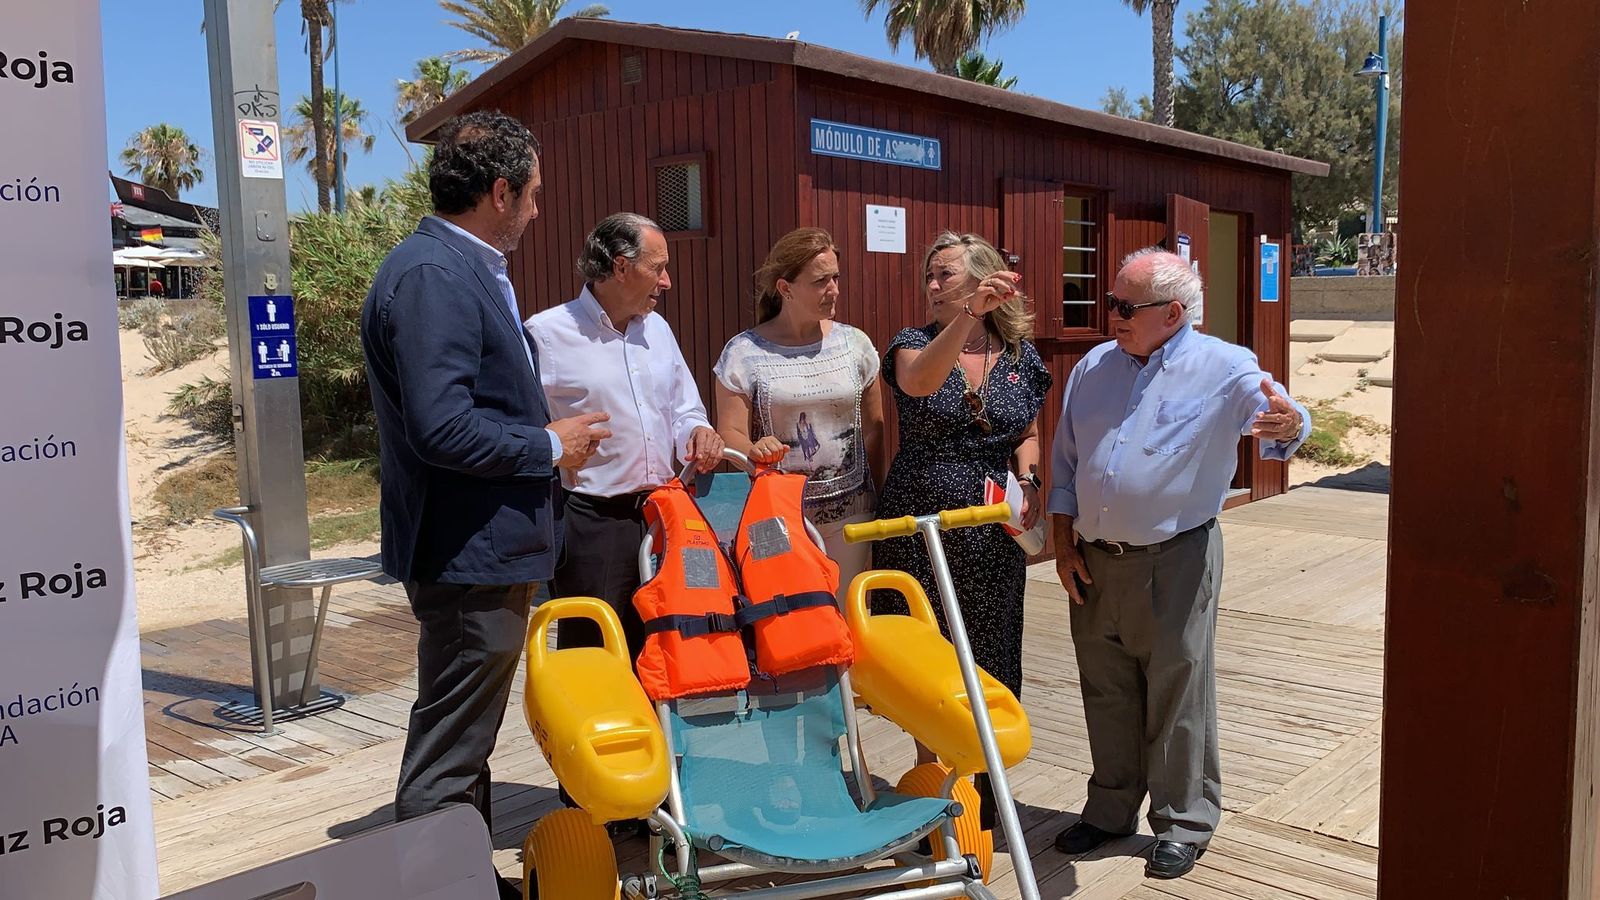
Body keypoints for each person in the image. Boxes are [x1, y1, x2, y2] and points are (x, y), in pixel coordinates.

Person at [360, 111, 610, 900]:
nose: (538, 212)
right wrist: (548, 445)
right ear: (499, 193)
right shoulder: (436, 274)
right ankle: (438, 888)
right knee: (450, 748)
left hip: (477, 546)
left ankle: (462, 877)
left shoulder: (448, 266)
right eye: (533, 196)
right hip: (468, 551)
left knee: (463, 735)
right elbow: (443, 425)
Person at [1046, 247, 1310, 880]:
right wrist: (1062, 542)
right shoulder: (1094, 367)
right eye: (1110, 302)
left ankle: (1184, 822)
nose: (1110, 315)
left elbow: (1276, 417)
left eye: (1123, 306)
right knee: (1105, 688)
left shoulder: (1223, 365)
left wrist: (1290, 421)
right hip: (1094, 559)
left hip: (1176, 558)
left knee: (1177, 688)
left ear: (1171, 312)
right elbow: (1066, 461)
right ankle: (1109, 812)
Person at [872, 231, 1051, 825]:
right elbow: (921, 384)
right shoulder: (911, 344)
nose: (930, 285)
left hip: (993, 525)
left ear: (982, 278)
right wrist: (965, 319)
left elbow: (1026, 431)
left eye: (943, 274)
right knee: (932, 658)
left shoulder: (1021, 355)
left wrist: (1028, 480)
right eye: (929, 275)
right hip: (921, 519)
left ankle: (987, 785)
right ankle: (941, 792)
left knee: (992, 651)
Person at [525, 211, 724, 658]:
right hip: (592, 524)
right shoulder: (546, 334)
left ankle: (656, 730)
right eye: (658, 267)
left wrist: (698, 430)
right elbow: (526, 430)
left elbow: (683, 408)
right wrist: (554, 448)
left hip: (662, 516)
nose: (667, 281)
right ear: (619, 266)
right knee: (594, 653)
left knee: (666, 647)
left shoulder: (658, 329)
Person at [713, 227, 885, 588]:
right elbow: (729, 432)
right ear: (785, 288)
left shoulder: (855, 344)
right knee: (787, 620)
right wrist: (751, 449)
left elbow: (874, 428)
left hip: (850, 514)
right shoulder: (744, 353)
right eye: (821, 281)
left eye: (836, 277)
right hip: (775, 515)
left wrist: (878, 496)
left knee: (842, 615)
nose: (834, 289)